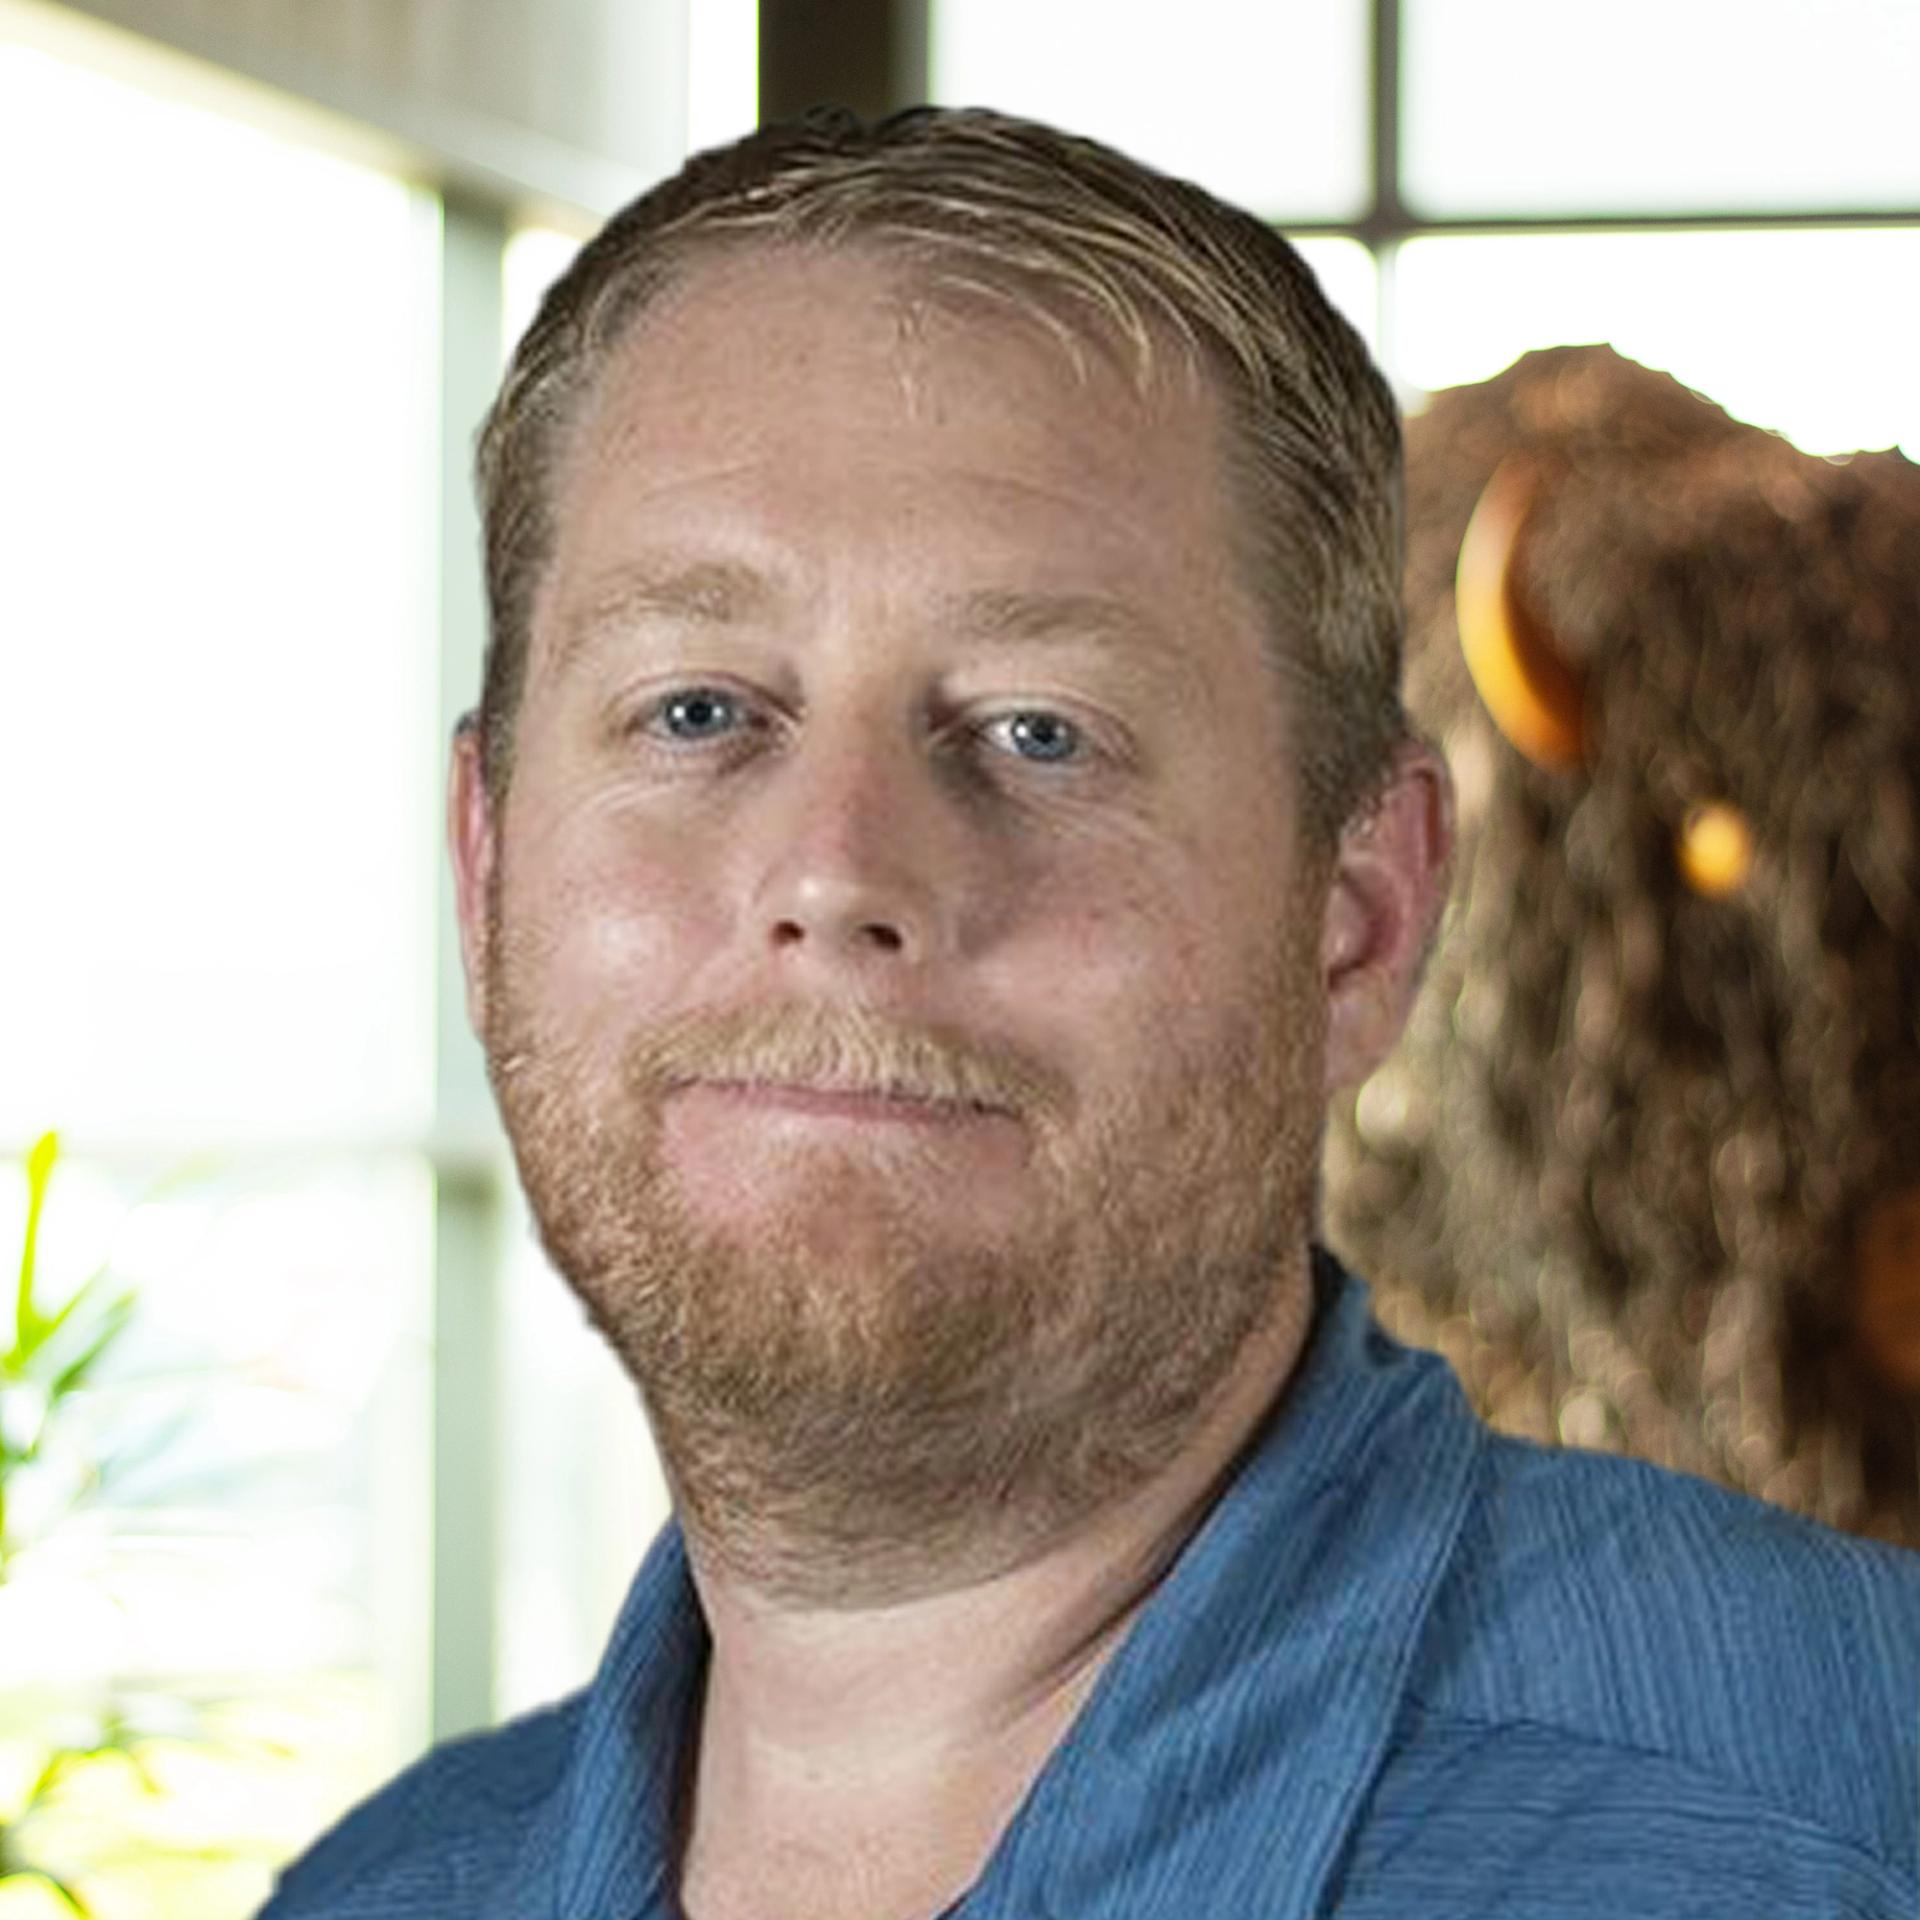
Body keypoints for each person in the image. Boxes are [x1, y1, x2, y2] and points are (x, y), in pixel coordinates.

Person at [259, 107, 1919, 1920]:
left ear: (1358, 918)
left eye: (1040, 730)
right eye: (696, 711)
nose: (839, 874)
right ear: (487, 865)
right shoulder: (379, 1891)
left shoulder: (1855, 1809)